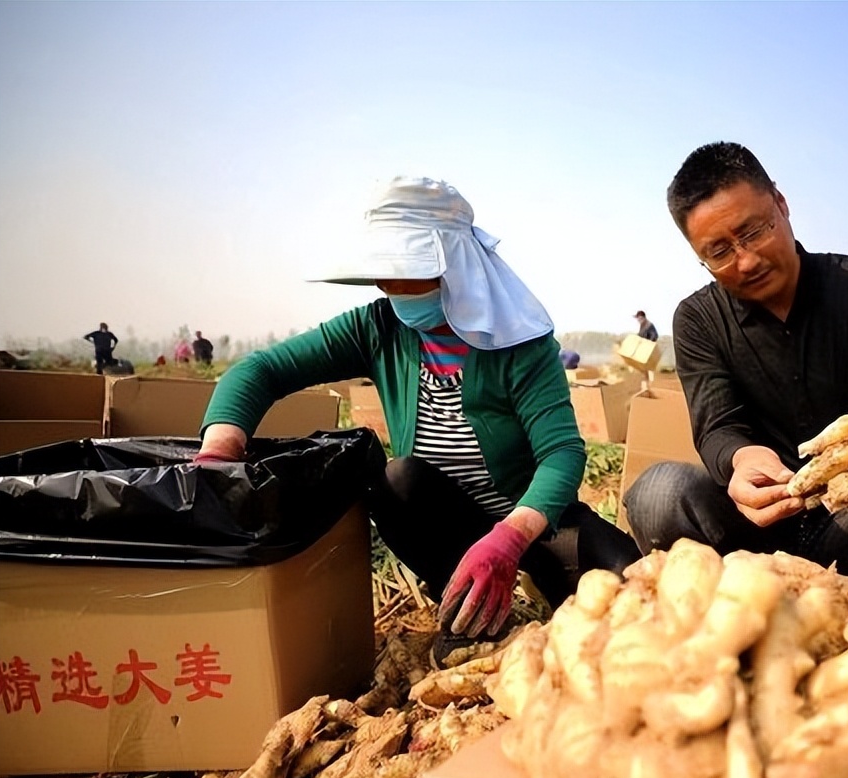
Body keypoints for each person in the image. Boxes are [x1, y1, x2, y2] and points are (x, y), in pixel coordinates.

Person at [195, 177, 642, 649]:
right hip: (453, 526)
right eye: (382, 271)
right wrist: (219, 450)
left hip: (534, 520)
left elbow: (562, 454)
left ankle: (537, 576)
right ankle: (469, 607)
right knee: (397, 480)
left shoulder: (519, 341)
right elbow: (261, 370)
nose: (387, 284)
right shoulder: (378, 327)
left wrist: (511, 538)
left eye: (403, 270)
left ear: (452, 266)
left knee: (629, 590)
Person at [624, 142, 848, 588]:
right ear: (699, 255)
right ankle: (740, 610)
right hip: (753, 528)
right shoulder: (698, 319)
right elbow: (716, 425)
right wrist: (740, 459)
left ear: (780, 203)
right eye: (719, 252)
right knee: (658, 494)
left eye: (754, 231)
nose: (747, 260)